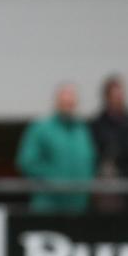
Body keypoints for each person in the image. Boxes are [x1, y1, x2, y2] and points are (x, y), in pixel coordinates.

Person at [16, 83, 96, 214]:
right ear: (56, 102)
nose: (68, 104)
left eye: (71, 101)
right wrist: (55, 181)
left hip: (79, 207)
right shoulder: (40, 128)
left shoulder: (82, 130)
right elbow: (27, 162)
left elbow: (90, 161)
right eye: (64, 101)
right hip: (48, 207)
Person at [89, 75, 128, 213]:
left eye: (120, 94)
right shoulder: (97, 123)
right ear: (107, 96)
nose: (118, 98)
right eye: (114, 95)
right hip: (105, 181)